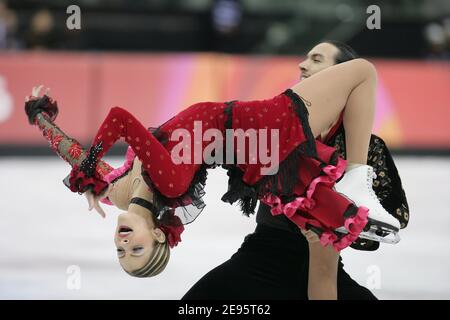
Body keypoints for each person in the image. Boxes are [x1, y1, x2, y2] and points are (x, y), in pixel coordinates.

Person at [24, 56, 400, 297]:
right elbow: (120, 118)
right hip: (255, 126)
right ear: (157, 235)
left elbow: (70, 152)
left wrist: (40, 115)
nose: (123, 245)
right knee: (363, 72)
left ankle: (349, 198)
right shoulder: (169, 184)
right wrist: (89, 171)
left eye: (120, 252)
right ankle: (355, 183)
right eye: (136, 251)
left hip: (248, 134)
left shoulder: (121, 192)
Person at [182, 41, 410, 300]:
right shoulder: (281, 129)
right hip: (262, 261)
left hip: (327, 269)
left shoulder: (368, 147)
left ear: (342, 75)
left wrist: (341, 225)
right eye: (306, 58)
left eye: (316, 59)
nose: (303, 64)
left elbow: (394, 217)